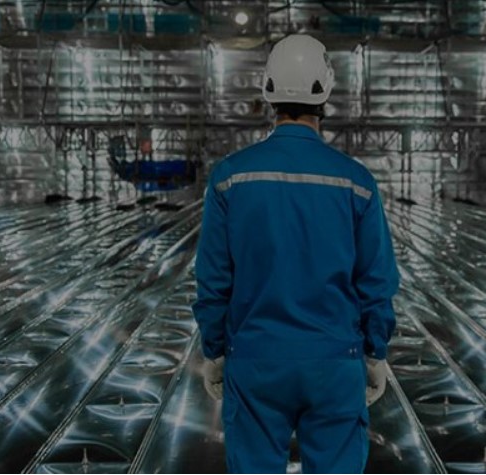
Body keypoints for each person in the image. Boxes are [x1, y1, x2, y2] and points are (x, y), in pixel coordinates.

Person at [191, 34, 400, 474]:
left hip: (254, 362)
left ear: (268, 92)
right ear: (326, 92)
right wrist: (375, 352)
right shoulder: (356, 182)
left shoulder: (230, 178)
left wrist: (214, 349)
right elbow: (376, 280)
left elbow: (213, 279)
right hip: (335, 364)